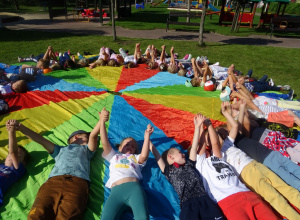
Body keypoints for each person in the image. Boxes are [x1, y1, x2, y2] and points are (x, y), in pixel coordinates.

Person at [217, 101, 300, 219]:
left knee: (293, 177)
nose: (225, 130)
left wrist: (241, 108)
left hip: (270, 156)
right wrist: (227, 113)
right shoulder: (229, 145)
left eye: (224, 129)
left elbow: (239, 124)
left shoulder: (240, 137)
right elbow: (233, 127)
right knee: (287, 187)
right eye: (222, 132)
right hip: (264, 163)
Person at [193, 111, 280, 220]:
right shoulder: (200, 164)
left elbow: (215, 143)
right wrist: (199, 127)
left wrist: (209, 124)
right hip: (228, 201)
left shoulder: (217, 156)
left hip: (246, 193)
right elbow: (201, 145)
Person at [15, 115, 100, 219]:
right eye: (86, 136)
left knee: (69, 216)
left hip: (78, 184)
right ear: (76, 137)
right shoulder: (60, 150)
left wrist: (101, 121)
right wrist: (21, 128)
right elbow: (41, 140)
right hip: (53, 183)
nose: (90, 139)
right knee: (37, 214)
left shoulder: (87, 150)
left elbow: (94, 137)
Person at [149, 114, 224, 220]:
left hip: (205, 201)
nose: (184, 154)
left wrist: (197, 127)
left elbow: (194, 147)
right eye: (180, 152)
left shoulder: (189, 164)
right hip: (188, 206)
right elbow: (156, 154)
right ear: (171, 157)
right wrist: (147, 137)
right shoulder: (169, 172)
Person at [100, 107, 153, 220]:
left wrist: (147, 136)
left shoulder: (135, 158)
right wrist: (102, 122)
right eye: (127, 144)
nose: (130, 146)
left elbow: (144, 155)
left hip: (134, 189)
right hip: (116, 192)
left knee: (142, 217)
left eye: (133, 146)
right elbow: (104, 142)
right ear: (119, 147)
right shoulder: (114, 156)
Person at [0, 120, 30, 207]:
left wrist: (11, 131)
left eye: (18, 155)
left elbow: (13, 152)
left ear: (23, 162)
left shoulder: (17, 171)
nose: (11, 156)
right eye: (8, 154)